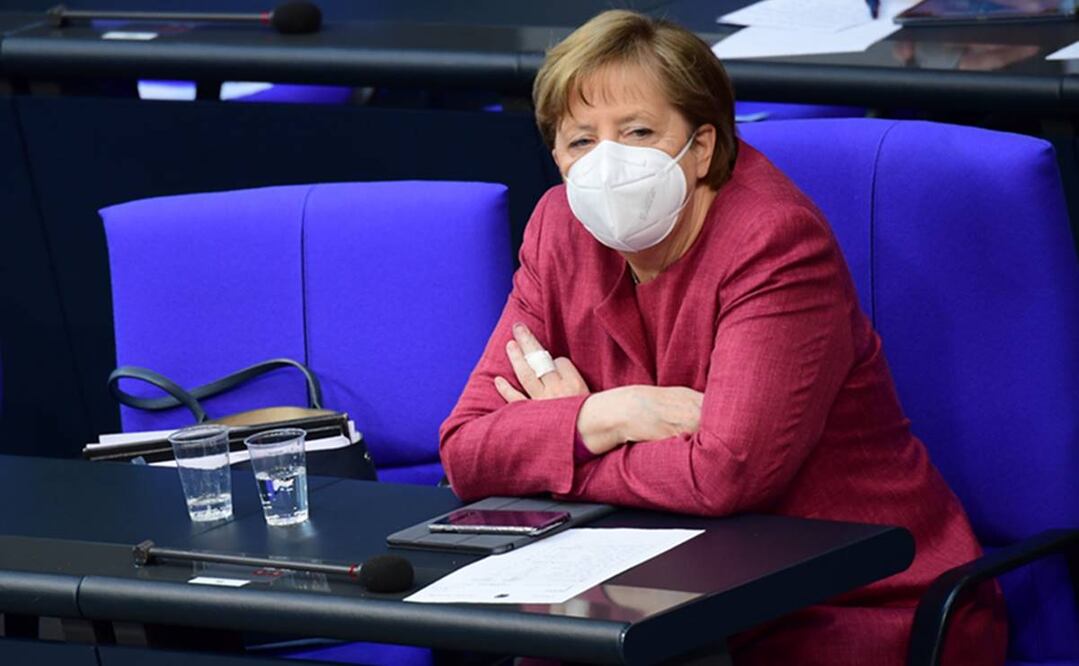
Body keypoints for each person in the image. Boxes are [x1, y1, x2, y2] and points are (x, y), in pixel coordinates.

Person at [439, 9, 1007, 665]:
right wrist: (614, 412)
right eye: (579, 141)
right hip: (652, 588)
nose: (606, 163)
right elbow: (466, 453)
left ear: (701, 145)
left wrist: (555, 438)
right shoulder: (557, 228)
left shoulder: (772, 240)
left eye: (638, 132)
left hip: (839, 600)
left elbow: (724, 476)